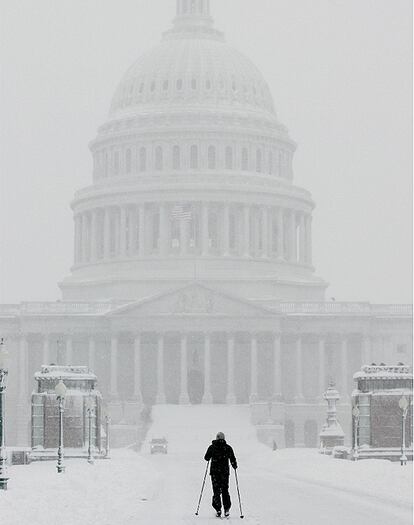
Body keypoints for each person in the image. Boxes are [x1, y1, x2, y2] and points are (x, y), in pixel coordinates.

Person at [204, 432, 238, 518]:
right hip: (224, 473)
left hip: (215, 473)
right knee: (225, 490)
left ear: (216, 438)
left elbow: (206, 458)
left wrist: (211, 456)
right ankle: (226, 509)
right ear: (224, 438)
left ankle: (218, 509)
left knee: (216, 491)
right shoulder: (228, 448)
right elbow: (233, 459)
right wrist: (234, 465)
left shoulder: (212, 447)